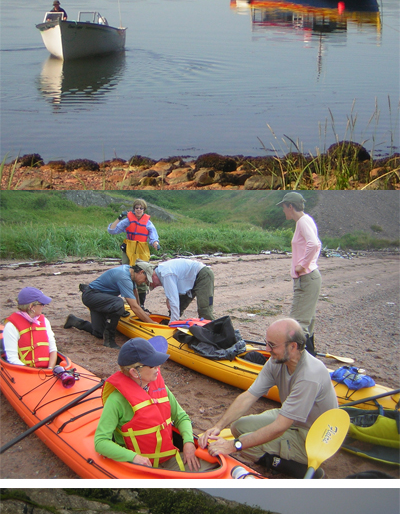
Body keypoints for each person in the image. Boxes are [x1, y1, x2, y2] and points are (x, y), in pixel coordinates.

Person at [199, 318, 338, 478]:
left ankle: (291, 467)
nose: (267, 349)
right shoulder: (276, 361)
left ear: (293, 347)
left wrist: (233, 445)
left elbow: (279, 427)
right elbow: (249, 396)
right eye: (267, 343)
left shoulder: (309, 376)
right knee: (238, 427)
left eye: (272, 345)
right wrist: (218, 425)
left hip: (315, 435)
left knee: (246, 445)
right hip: (292, 419)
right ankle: (277, 455)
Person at [94, 336, 202, 472]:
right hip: (137, 465)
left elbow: (181, 417)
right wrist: (134, 457)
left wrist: (188, 442)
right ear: (134, 372)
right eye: (152, 365)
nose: (158, 367)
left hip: (168, 457)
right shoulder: (116, 401)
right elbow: (100, 442)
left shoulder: (160, 388)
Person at [276, 190, 321, 353]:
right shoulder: (305, 220)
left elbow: (314, 244)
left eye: (284, 207)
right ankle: (310, 354)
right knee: (308, 320)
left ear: (290, 206)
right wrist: (309, 263)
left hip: (307, 278)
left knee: (297, 323)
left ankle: (299, 363)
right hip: (310, 277)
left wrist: (303, 265)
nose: (283, 210)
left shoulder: (302, 221)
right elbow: (317, 244)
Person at [64, 265, 150, 348]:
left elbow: (134, 293)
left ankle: (74, 321)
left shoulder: (131, 273)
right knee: (118, 303)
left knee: (99, 333)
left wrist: (141, 310)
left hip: (101, 299)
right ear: (141, 272)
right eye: (145, 279)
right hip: (91, 296)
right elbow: (133, 306)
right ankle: (109, 340)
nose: (145, 282)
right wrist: (151, 323)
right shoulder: (123, 276)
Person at [132, 257, 214, 324]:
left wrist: (172, 324)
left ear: (152, 275)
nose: (153, 285)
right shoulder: (162, 272)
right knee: (177, 307)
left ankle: (213, 334)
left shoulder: (165, 274)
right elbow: (173, 293)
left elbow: (173, 300)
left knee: (204, 310)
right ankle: (175, 322)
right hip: (189, 280)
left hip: (202, 275)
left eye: (149, 281)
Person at [108, 201, 160, 305]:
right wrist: (119, 217)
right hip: (129, 250)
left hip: (142, 250)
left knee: (142, 274)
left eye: (141, 208)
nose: (139, 210)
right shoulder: (127, 221)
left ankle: (141, 304)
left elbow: (153, 235)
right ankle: (129, 301)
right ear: (134, 209)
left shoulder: (148, 223)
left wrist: (155, 243)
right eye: (137, 208)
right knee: (127, 273)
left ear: (144, 210)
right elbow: (112, 230)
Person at [3, 287, 58, 370]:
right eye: (42, 304)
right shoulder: (11, 327)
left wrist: (50, 369)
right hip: (25, 372)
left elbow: (53, 349)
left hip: (47, 371)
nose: (43, 306)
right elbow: (12, 358)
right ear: (31, 307)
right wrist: (34, 373)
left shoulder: (45, 321)